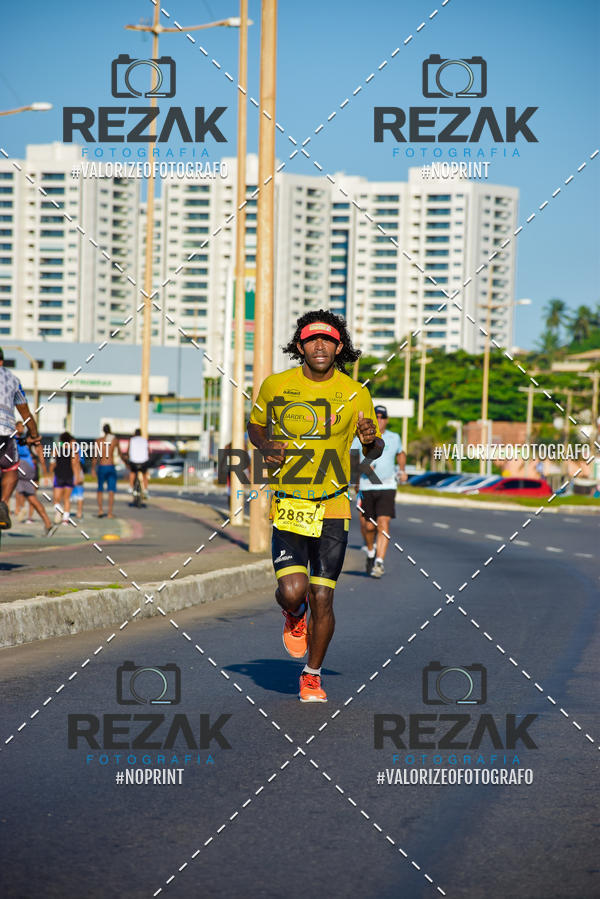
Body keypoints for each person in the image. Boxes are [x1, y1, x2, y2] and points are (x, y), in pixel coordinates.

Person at [247, 310, 383, 703]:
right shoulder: (276, 385)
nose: (319, 346)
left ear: (339, 348)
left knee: (323, 595)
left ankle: (311, 675)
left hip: (333, 504)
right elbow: (256, 425)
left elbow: (374, 448)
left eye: (328, 340)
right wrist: (265, 444)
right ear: (300, 346)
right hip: (290, 501)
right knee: (294, 592)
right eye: (311, 339)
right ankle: (293, 615)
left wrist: (370, 440)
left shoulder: (355, 392)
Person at [352, 405, 407, 578]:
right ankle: (370, 551)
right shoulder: (359, 438)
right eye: (376, 417)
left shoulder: (394, 437)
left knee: (383, 522)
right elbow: (351, 461)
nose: (380, 420)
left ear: (387, 420)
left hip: (387, 486)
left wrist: (402, 470)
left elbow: (401, 453)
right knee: (368, 526)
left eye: (383, 417)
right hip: (366, 486)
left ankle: (379, 562)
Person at [0, 346, 43, 530]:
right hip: (5, 432)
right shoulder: (12, 379)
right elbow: (25, 413)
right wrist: (34, 435)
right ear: (2, 361)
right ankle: (3, 503)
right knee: (11, 469)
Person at [14, 421, 55, 535]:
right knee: (30, 496)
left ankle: (23, 510)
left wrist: (46, 472)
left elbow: (41, 458)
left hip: (24, 468)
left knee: (26, 495)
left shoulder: (18, 440)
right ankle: (47, 523)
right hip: (26, 469)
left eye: (22, 426)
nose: (21, 428)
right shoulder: (19, 439)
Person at [92, 423, 123, 518]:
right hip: (111, 466)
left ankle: (100, 510)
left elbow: (95, 456)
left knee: (100, 489)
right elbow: (120, 454)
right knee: (111, 491)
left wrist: (93, 469)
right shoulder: (115, 440)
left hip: (102, 466)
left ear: (103, 430)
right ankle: (109, 513)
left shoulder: (98, 441)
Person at [50, 431, 81, 525]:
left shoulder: (56, 450)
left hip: (59, 475)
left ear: (61, 440)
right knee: (67, 499)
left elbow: (52, 464)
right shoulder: (74, 451)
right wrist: (77, 477)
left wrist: (50, 474)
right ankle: (65, 519)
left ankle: (59, 510)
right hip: (69, 476)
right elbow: (75, 465)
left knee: (56, 499)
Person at [127, 428, 150, 497]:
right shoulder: (145, 440)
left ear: (134, 434)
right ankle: (145, 489)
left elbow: (128, 450)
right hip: (143, 461)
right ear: (141, 434)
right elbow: (148, 450)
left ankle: (131, 487)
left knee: (132, 472)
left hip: (134, 461)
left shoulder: (131, 440)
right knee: (145, 474)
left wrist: (128, 458)